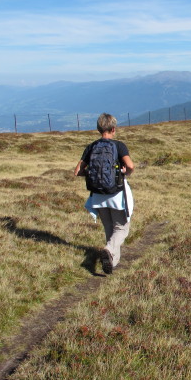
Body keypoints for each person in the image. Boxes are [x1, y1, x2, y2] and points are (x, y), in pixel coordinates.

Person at [74, 113, 134, 274]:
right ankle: (108, 250)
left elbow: (77, 171)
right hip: (116, 194)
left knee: (109, 228)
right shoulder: (119, 146)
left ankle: (111, 263)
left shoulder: (91, 147)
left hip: (97, 196)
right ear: (113, 129)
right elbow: (130, 166)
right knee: (121, 228)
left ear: (98, 128)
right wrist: (124, 172)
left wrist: (91, 173)